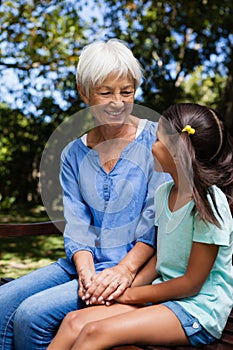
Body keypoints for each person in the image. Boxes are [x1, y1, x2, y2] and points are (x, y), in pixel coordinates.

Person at [0, 39, 166, 349]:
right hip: (82, 264)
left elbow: (154, 222)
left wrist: (124, 271)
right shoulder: (72, 155)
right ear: (84, 92)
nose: (118, 102)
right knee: (2, 303)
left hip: (138, 269)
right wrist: (86, 272)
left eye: (127, 91)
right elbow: (77, 224)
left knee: (31, 316)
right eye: (105, 93)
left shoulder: (157, 141)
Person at [47, 103, 233, 350]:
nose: (150, 147)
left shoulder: (210, 203)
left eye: (157, 140)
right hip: (163, 298)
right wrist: (118, 290)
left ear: (177, 152)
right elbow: (160, 262)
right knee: (73, 322)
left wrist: (129, 295)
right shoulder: (164, 193)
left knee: (95, 332)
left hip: (198, 309)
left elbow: (190, 284)